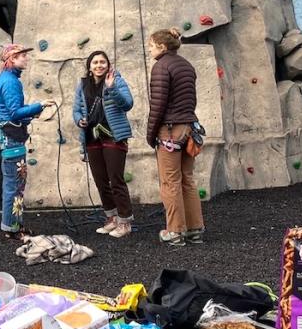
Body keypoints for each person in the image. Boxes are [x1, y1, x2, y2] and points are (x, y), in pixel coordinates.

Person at [146, 28, 205, 247]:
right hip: (189, 127)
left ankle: (175, 231)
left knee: (170, 181)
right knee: (187, 180)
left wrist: (151, 134)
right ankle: (195, 229)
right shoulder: (186, 65)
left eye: (151, 45)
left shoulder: (161, 67)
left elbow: (158, 105)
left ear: (162, 46)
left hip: (169, 130)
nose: (149, 49)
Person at [0, 44, 55, 240]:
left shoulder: (4, 79)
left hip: (8, 135)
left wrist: (32, 113)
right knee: (15, 185)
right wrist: (39, 105)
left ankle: (10, 226)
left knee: (12, 184)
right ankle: (13, 228)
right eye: (22, 56)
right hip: (12, 139)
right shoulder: (11, 81)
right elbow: (14, 112)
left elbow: (11, 113)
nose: (26, 59)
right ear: (12, 58)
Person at [72, 50, 135, 237]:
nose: (99, 65)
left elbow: (128, 104)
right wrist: (79, 120)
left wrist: (112, 87)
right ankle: (111, 218)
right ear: (89, 66)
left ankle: (125, 222)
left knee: (116, 179)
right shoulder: (83, 84)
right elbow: (76, 109)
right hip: (92, 136)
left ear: (108, 65)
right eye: (95, 62)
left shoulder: (116, 80)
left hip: (113, 135)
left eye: (102, 62)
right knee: (101, 180)